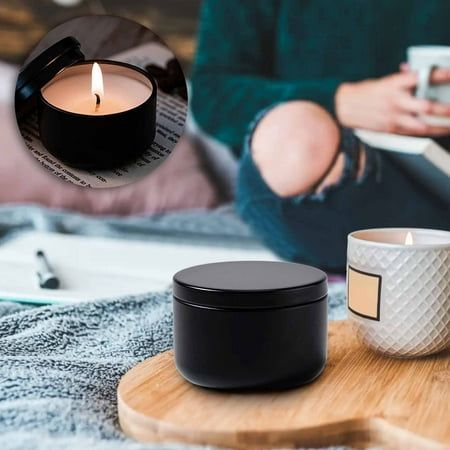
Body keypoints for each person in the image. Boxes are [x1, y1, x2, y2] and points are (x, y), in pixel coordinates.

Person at [191, 0, 450, 271]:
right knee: (294, 133)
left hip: (439, 186)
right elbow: (213, 94)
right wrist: (342, 102)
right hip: (325, 187)